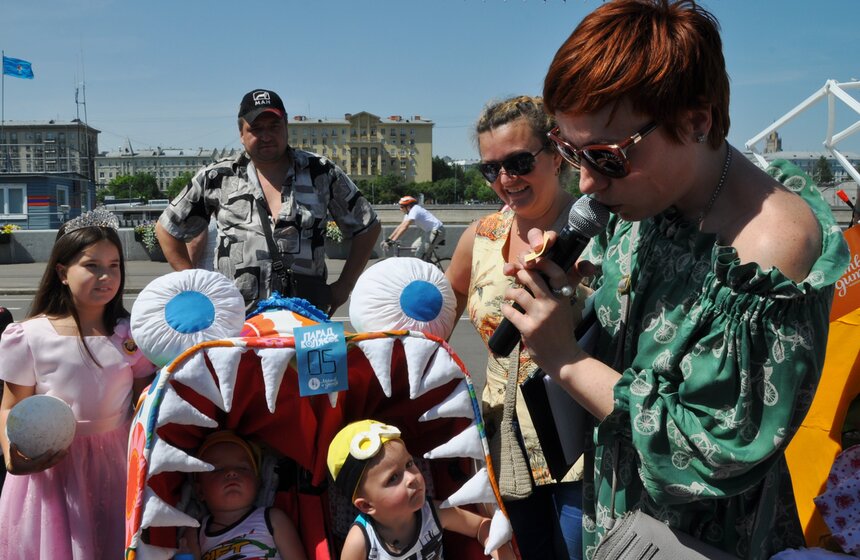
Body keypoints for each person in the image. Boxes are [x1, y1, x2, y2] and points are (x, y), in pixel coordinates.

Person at [499, 1, 850, 558]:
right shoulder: (644, 199)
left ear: (696, 121)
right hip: (617, 517)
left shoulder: (768, 248)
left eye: (606, 157)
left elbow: (711, 454)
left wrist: (566, 359)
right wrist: (565, 297)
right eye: (569, 151)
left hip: (696, 542)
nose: (586, 182)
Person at [445, 95, 583, 560]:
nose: (506, 179)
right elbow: (439, 319)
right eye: (491, 168)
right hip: (504, 439)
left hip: (580, 441)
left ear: (557, 153)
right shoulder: (480, 236)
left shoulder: (597, 231)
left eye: (520, 162)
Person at [0, 208, 157, 559]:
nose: (106, 276)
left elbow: (146, 403)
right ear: (62, 272)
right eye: (92, 265)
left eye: (114, 265)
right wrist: (12, 455)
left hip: (116, 465)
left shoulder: (130, 335)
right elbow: (11, 406)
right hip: (51, 467)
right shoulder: (28, 336)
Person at [156, 89, 381, 314]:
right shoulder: (217, 177)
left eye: (274, 126)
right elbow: (167, 228)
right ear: (241, 133)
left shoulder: (320, 172)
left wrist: (345, 285)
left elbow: (368, 226)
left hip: (305, 316)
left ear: (286, 126)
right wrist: (195, 288)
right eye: (256, 128)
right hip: (238, 317)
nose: (266, 136)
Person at [326, 420, 514, 560]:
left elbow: (480, 526)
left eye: (409, 464)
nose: (411, 478)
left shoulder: (434, 513)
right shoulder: (360, 542)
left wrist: (502, 552)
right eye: (393, 478)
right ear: (366, 505)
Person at [185, 431, 307, 560]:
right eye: (218, 470)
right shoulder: (195, 533)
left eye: (242, 468)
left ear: (258, 483)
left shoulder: (273, 519)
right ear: (200, 491)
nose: (231, 472)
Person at [383, 196, 445, 262]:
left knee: (420, 255)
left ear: (408, 207)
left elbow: (405, 227)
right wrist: (389, 239)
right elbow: (401, 226)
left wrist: (393, 241)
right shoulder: (408, 213)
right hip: (429, 232)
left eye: (402, 207)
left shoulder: (415, 210)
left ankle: (428, 266)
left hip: (437, 231)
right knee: (414, 247)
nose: (400, 209)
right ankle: (427, 260)